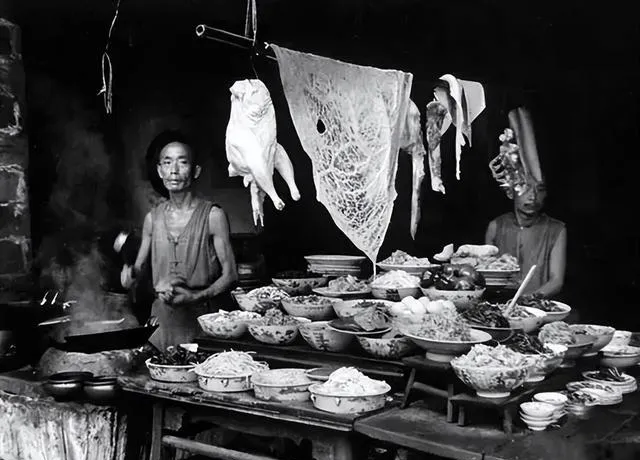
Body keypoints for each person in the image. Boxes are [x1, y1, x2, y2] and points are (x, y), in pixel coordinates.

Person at [122, 131, 238, 350]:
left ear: (195, 171)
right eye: (167, 163)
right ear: (160, 170)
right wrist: (130, 275)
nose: (173, 170)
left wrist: (196, 296)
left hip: (205, 324)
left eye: (182, 162)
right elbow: (138, 269)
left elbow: (230, 275)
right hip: (162, 325)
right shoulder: (152, 219)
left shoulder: (213, 216)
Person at [486, 108, 566, 297]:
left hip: (538, 306)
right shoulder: (496, 227)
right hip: (500, 304)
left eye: (540, 189)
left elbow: (556, 280)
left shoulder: (556, 230)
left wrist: (528, 301)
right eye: (525, 188)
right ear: (511, 191)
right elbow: (488, 274)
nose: (532, 197)